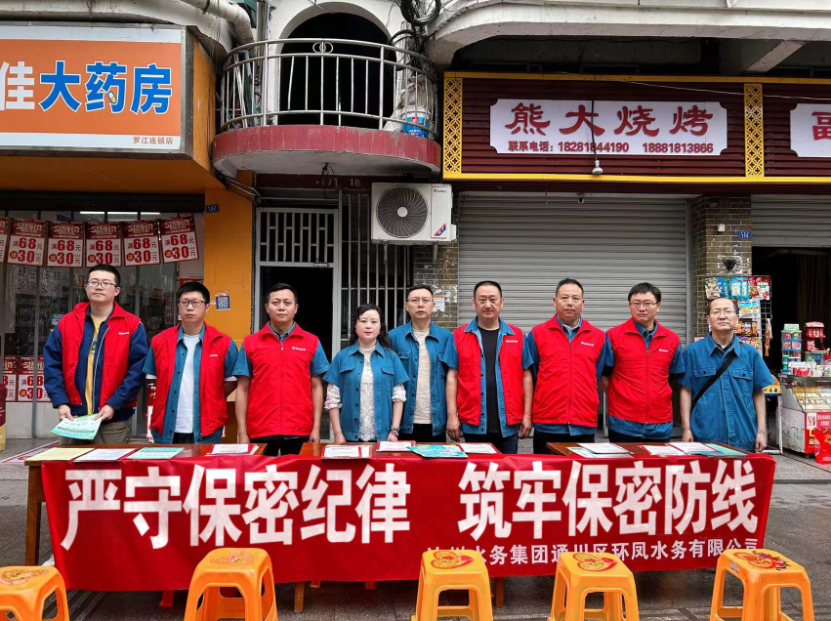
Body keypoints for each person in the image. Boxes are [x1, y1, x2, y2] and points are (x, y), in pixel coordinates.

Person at [43, 264, 148, 444]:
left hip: (112, 418)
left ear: (116, 291)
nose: (99, 287)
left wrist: (114, 403)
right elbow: (52, 364)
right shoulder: (67, 323)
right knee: (71, 463)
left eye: (106, 283)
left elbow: (137, 371)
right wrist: (61, 402)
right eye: (94, 282)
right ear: (86, 287)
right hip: (73, 417)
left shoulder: (132, 325)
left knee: (109, 463)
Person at [233, 283, 329, 456]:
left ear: (296, 308)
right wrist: (242, 431)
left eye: (287, 302)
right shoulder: (250, 343)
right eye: (276, 302)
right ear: (267, 307)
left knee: (296, 473)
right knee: (260, 474)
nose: (281, 307)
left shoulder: (311, 342)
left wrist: (316, 428)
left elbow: (316, 387)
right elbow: (242, 388)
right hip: (260, 428)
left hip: (299, 428)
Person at [143, 282, 239, 444]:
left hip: (207, 428)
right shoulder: (160, 341)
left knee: (202, 462)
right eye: (184, 302)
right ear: (178, 307)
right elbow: (152, 380)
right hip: (165, 426)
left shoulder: (223, 343)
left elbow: (231, 381)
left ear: (207, 307)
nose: (189, 307)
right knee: (168, 462)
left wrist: (210, 396)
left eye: (195, 302)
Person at [444, 281, 533, 454]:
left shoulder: (517, 336)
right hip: (473, 423)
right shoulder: (459, 336)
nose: (487, 305)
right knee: (475, 470)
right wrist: (452, 416)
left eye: (493, 299)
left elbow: (526, 376)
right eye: (482, 300)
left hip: (509, 422)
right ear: (474, 303)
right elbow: (452, 377)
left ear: (502, 302)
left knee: (507, 470)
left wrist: (527, 415)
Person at [679, 297, 774, 452]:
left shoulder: (750, 354)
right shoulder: (693, 352)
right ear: (708, 319)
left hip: (743, 436)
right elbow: (686, 391)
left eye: (727, 311)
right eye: (716, 312)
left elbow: (758, 393)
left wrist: (761, 432)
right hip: (704, 436)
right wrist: (686, 429)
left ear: (736, 318)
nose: (722, 316)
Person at [524, 278, 606, 454]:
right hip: (548, 423)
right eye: (564, 298)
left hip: (584, 423)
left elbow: (596, 374)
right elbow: (532, 375)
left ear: (583, 303)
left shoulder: (598, 337)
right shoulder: (537, 334)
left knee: (581, 471)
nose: (570, 303)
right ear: (555, 301)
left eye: (575, 298)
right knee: (546, 471)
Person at [600, 283, 685, 443]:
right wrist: (620, 398)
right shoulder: (613, 336)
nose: (641, 308)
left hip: (660, 424)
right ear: (629, 306)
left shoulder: (672, 339)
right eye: (636, 303)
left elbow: (673, 378)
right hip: (623, 423)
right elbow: (604, 376)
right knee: (622, 460)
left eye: (647, 303)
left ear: (658, 306)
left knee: (658, 461)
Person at [324, 304, 409, 443]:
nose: (368, 326)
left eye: (374, 322)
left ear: (380, 327)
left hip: (383, 437)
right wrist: (338, 434)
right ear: (355, 325)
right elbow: (332, 399)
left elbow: (398, 396)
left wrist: (394, 431)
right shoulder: (341, 357)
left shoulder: (391, 357)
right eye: (363, 321)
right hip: (349, 437)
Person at [389, 285, 453, 443]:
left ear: (433, 305)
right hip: (402, 421)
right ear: (406, 306)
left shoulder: (446, 337)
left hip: (436, 421)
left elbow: (453, 379)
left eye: (425, 300)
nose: (420, 304)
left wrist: (453, 416)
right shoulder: (393, 337)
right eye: (415, 300)